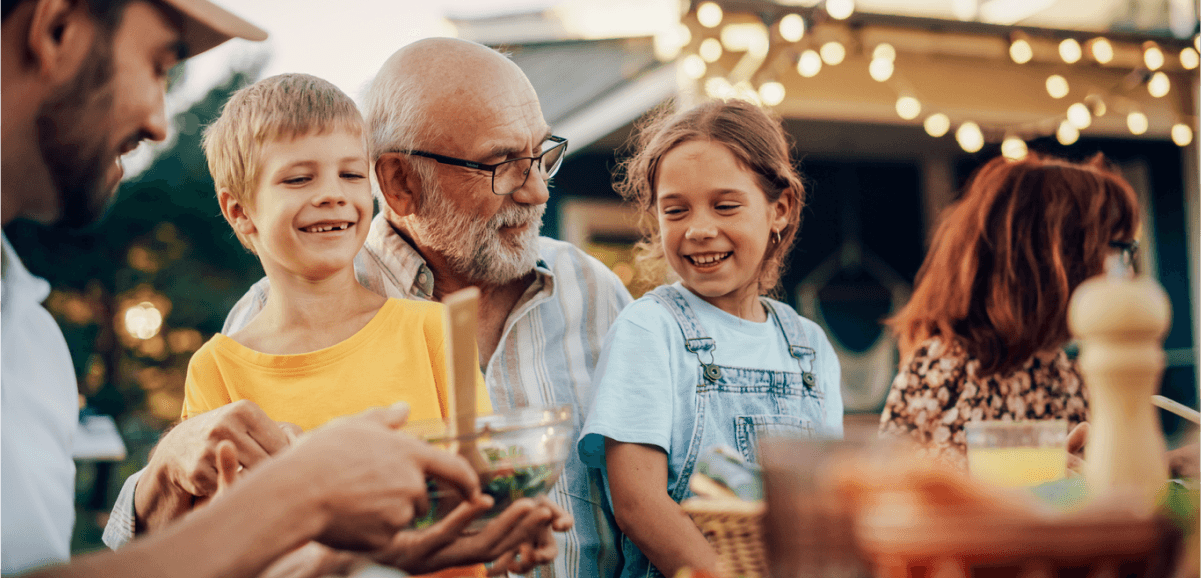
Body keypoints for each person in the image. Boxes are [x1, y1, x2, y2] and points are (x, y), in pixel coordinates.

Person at [0, 0, 488, 575]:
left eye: (350, 172)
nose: (158, 122)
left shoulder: (31, 336)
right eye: (157, 65)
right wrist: (305, 501)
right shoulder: (217, 365)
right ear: (58, 24)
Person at [105, 38, 634, 578]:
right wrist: (167, 470)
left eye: (542, 155)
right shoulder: (239, 343)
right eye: (501, 163)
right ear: (399, 183)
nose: (537, 191)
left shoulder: (591, 289)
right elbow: (202, 540)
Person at [183, 71, 566, 576]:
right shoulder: (218, 369)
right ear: (240, 212)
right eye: (299, 178)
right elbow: (215, 544)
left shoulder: (432, 329)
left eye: (350, 175)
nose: (332, 194)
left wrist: (513, 524)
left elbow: (481, 488)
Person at [578, 99, 844, 578]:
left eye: (725, 206)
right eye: (675, 210)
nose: (699, 229)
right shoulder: (650, 330)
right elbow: (638, 504)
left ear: (779, 208)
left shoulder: (809, 347)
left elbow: (825, 501)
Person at [877, 153, 1134, 468]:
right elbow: (891, 492)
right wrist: (1032, 475)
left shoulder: (1069, 373)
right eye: (1119, 250)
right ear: (1056, 261)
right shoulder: (944, 369)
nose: (1128, 274)